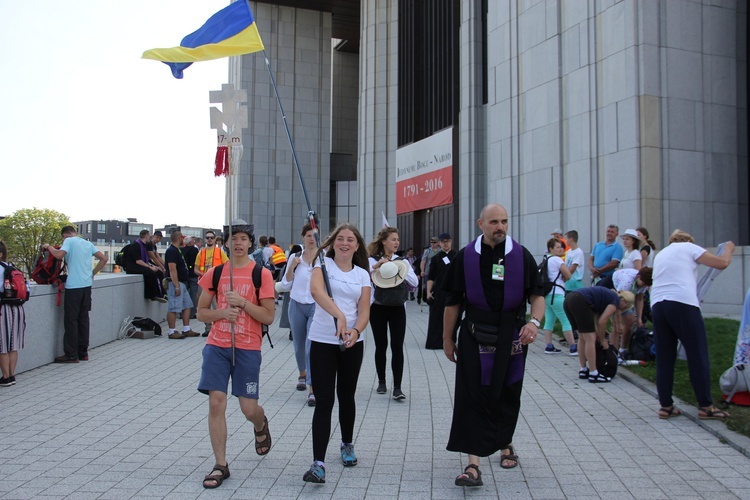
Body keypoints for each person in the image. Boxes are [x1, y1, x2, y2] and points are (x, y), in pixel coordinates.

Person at [442, 204, 545, 486]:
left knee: (506, 392)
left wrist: (533, 323)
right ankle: (473, 465)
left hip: (510, 336)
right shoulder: (466, 256)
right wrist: (447, 338)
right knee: (471, 396)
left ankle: (505, 443)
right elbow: (453, 301)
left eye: (504, 221)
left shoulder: (520, 255)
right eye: (494, 222)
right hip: (474, 334)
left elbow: (537, 294)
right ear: (481, 224)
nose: (500, 227)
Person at [196, 220, 276, 489]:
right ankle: (221, 464)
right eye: (233, 238)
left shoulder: (261, 275)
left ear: (251, 243)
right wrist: (221, 314)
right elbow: (201, 313)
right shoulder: (215, 274)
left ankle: (260, 423)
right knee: (216, 402)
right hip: (217, 345)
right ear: (225, 243)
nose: (238, 243)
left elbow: (268, 316)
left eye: (243, 238)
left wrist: (242, 303)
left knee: (248, 408)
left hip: (248, 346)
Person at [302, 223, 371, 484]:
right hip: (322, 340)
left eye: (350, 239)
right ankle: (318, 462)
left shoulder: (363, 275)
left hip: (352, 342)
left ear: (357, 246)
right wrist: (339, 315)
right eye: (340, 239)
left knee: (346, 395)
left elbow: (364, 311)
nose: (344, 243)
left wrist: (355, 330)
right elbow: (316, 291)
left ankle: (347, 443)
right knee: (324, 400)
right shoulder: (323, 266)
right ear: (332, 243)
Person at [650, 229, 734, 421]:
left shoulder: (662, 253)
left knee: (665, 357)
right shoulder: (689, 247)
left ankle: (666, 406)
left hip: (658, 304)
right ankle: (706, 407)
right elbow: (722, 263)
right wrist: (728, 248)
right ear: (688, 240)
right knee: (697, 354)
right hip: (682, 303)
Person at [368, 227, 419, 400]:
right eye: (393, 239)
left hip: (398, 308)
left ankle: (398, 387)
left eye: (398, 239)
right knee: (380, 346)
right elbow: (362, 277)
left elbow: (415, 282)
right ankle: (382, 382)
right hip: (377, 307)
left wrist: (398, 270)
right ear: (384, 241)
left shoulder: (403, 261)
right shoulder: (371, 260)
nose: (396, 242)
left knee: (397, 346)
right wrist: (377, 267)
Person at [44, 226, 108, 363]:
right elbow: (104, 259)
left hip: (74, 286)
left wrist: (49, 247)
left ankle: (71, 355)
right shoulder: (87, 243)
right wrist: (92, 273)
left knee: (71, 320)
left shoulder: (69, 241)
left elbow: (59, 255)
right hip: (86, 286)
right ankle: (83, 352)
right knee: (83, 319)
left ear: (65, 235)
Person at [280, 225, 319, 406]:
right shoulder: (295, 258)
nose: (312, 239)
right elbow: (286, 285)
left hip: (316, 306)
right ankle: (302, 374)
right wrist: (291, 268)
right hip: (296, 304)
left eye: (315, 236)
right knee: (298, 345)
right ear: (303, 237)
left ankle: (313, 387)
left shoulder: (324, 259)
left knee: (312, 347)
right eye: (308, 235)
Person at [563, 287, 635, 382]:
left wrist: (598, 333)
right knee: (590, 339)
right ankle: (594, 373)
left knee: (582, 337)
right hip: (580, 300)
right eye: (625, 308)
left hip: (569, 299)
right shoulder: (615, 301)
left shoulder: (606, 297)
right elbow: (602, 321)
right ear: (624, 301)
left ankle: (583, 369)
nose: (621, 310)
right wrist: (602, 340)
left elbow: (596, 319)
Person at [596, 267, 653, 356]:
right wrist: (618, 323)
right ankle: (613, 353)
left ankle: (622, 350)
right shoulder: (626, 282)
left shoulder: (644, 282)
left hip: (622, 297)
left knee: (630, 321)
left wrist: (639, 318)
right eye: (643, 283)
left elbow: (639, 299)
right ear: (639, 277)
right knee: (615, 326)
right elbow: (617, 303)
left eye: (645, 285)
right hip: (608, 292)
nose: (643, 286)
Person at [540, 237, 576, 355]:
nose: (561, 249)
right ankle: (573, 347)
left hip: (547, 295)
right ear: (551, 248)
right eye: (558, 247)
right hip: (558, 294)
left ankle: (549, 346)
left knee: (549, 320)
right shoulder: (556, 260)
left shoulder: (546, 259)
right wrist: (565, 277)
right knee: (566, 320)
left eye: (561, 247)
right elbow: (568, 274)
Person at [165, 231, 200, 339]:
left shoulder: (177, 250)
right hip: (175, 282)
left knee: (187, 305)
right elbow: (172, 269)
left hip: (182, 282)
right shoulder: (171, 251)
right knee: (173, 307)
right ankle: (171, 331)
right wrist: (176, 285)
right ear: (179, 238)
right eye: (182, 238)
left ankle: (186, 329)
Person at [424, 232, 457, 349]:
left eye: (448, 241)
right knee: (436, 317)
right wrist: (428, 291)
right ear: (440, 243)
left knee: (453, 318)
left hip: (454, 291)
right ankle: (435, 342)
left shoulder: (456, 256)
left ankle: (451, 341)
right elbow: (431, 277)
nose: (446, 244)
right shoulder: (436, 259)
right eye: (443, 242)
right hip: (439, 291)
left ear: (451, 242)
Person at [0, 242, 25, 386]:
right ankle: (12, 375)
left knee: (2, 344)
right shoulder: (11, 267)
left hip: (3, 309)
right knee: (12, 345)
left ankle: (5, 377)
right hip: (17, 308)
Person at [194, 230, 229, 336]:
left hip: (217, 283)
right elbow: (195, 269)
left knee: (217, 305)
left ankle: (218, 327)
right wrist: (204, 274)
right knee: (205, 306)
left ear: (214, 239)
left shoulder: (220, 252)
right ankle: (208, 328)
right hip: (204, 282)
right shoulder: (201, 252)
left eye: (211, 237)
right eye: (207, 237)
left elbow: (227, 266)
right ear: (205, 239)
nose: (209, 239)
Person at [124, 229, 166, 303]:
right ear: (146, 236)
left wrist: (152, 266)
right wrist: (150, 267)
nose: (149, 238)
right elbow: (138, 261)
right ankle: (151, 295)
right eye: (149, 236)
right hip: (132, 267)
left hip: (138, 264)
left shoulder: (143, 245)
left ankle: (160, 294)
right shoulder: (136, 245)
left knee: (158, 272)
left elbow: (146, 260)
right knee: (151, 273)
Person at [181, 236, 199, 319]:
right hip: (193, 274)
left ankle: (182, 313)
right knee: (193, 294)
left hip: (184, 275)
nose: (194, 242)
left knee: (184, 294)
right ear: (190, 243)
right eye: (193, 241)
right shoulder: (195, 250)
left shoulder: (181, 250)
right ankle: (192, 313)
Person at [420, 237, 440, 303]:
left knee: (436, 285)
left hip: (438, 271)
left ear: (438, 243)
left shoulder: (440, 250)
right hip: (428, 271)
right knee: (427, 286)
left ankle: (436, 298)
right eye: (431, 242)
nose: (433, 244)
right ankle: (427, 298)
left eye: (434, 242)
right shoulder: (428, 251)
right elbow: (423, 261)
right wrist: (422, 270)